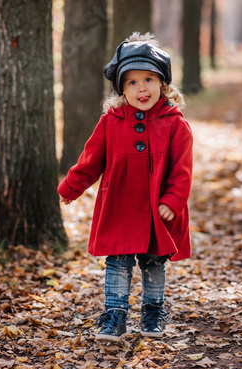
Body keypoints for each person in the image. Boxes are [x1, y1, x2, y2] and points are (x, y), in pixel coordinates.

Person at [58, 32, 193, 342]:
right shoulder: (111, 121)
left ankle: (153, 311)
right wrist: (70, 187)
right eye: (131, 82)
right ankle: (114, 315)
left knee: (153, 260)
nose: (141, 88)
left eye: (148, 79)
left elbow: (182, 169)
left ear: (162, 83)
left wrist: (172, 201)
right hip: (119, 204)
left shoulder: (175, 123)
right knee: (117, 261)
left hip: (156, 208)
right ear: (121, 88)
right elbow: (90, 160)